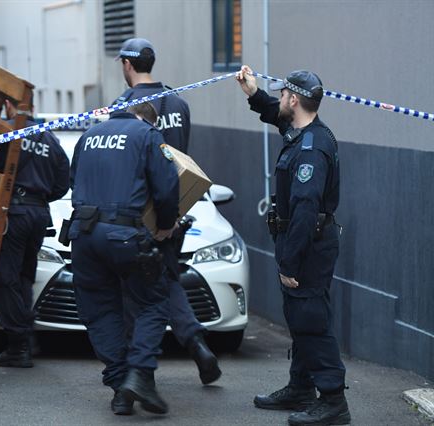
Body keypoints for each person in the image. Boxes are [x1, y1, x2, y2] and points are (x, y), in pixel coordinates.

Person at [236, 65, 350, 425]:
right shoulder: (300, 132)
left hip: (307, 244)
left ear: (295, 99)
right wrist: (253, 92)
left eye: (283, 94)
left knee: (310, 319)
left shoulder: (312, 149)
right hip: (302, 240)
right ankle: (301, 387)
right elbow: (274, 113)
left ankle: (333, 400)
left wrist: (289, 262)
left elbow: (304, 210)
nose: (280, 99)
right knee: (301, 317)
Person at [114, 37, 221, 385]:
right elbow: (182, 161)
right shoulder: (179, 102)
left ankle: (138, 376)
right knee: (168, 280)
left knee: (135, 294)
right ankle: (196, 342)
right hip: (172, 209)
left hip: (136, 212)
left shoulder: (121, 106)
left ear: (127, 65)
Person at [68, 102, 179, 416]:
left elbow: (73, 181)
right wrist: (166, 224)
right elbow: (167, 186)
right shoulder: (147, 134)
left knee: (100, 309)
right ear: (140, 114)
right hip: (125, 234)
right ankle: (140, 375)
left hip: (84, 235)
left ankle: (120, 390)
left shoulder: (88, 136)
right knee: (153, 302)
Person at [0, 98, 70, 368]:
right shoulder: (49, 137)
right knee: (23, 276)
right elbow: (62, 184)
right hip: (38, 214)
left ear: (8, 103)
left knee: (2, 277)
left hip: (13, 214)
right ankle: (23, 335)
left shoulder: (2, 130)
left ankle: (19, 341)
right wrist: (39, 196)